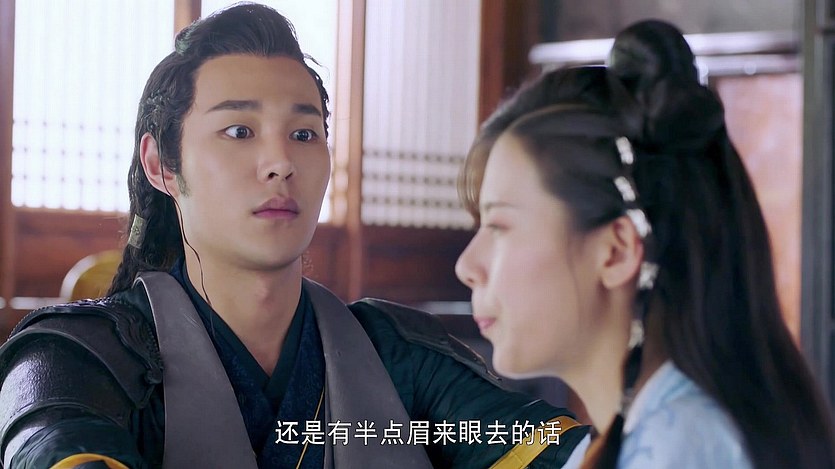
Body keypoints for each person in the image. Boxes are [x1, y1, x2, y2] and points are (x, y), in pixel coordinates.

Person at [0, 4, 589, 468]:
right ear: (161, 166)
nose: (280, 163)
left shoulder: (398, 356)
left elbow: (566, 453)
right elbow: (51, 439)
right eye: (239, 131)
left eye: (304, 135)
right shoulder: (76, 357)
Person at [455, 19, 835, 469]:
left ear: (616, 251)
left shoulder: (686, 448)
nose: (467, 266)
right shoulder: (653, 433)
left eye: (499, 226)